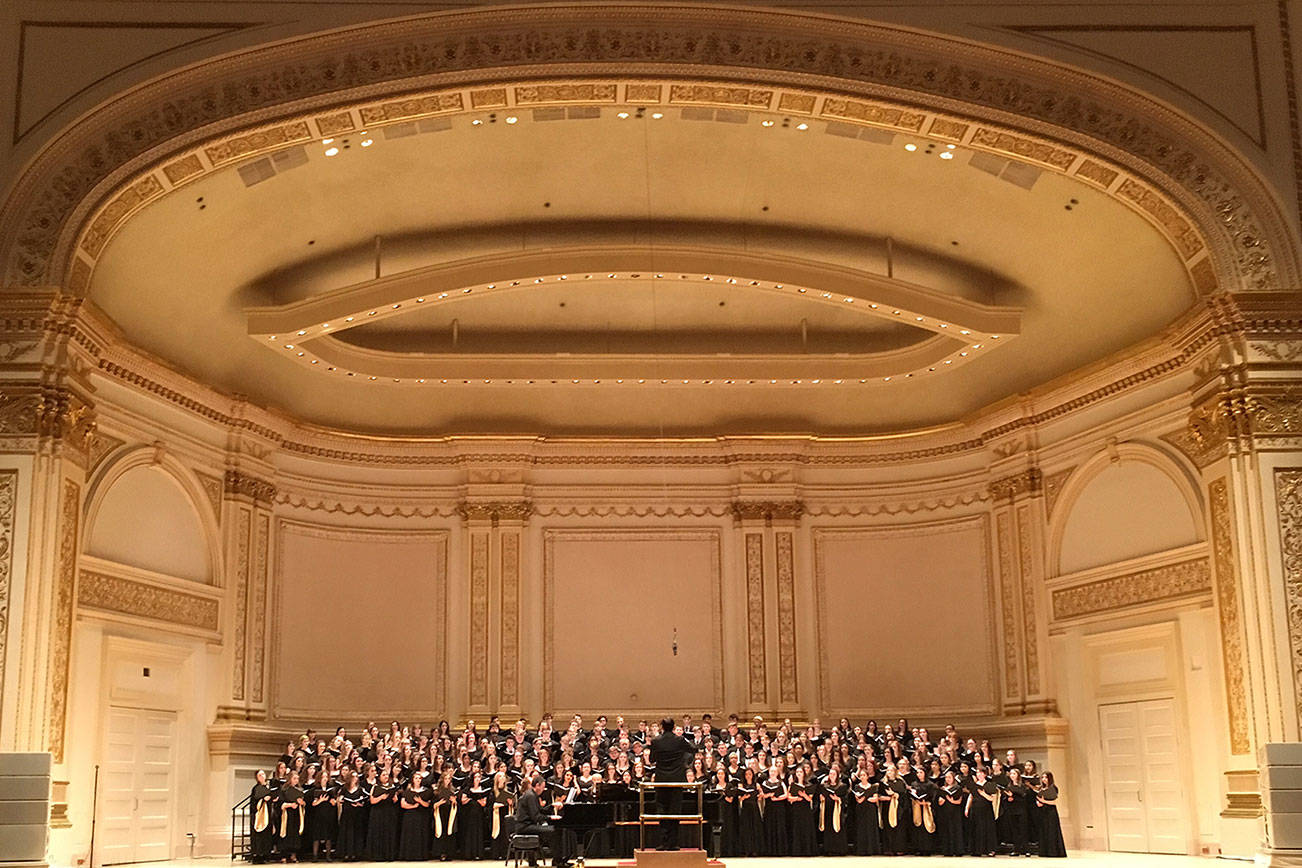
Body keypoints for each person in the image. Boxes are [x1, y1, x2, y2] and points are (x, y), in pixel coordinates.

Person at [649, 717, 694, 850]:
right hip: (676, 779)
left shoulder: (656, 741)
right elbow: (693, 748)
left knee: (662, 810)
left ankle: (664, 842)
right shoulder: (679, 740)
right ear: (674, 727)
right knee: (675, 811)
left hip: (661, 780)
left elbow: (651, 759)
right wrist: (683, 760)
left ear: (662, 727)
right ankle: (673, 843)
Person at [514, 775, 560, 868]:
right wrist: (551, 817)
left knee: (550, 830)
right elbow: (536, 817)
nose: (543, 790)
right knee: (553, 831)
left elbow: (540, 810)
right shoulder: (530, 796)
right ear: (537, 785)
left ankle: (533, 859)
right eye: (543, 787)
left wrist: (552, 806)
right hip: (524, 827)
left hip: (526, 825)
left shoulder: (532, 794)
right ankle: (557, 860)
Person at [365, 769, 399, 861]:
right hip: (378, 813)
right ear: (379, 777)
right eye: (383, 775)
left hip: (389, 812)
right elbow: (372, 801)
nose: (386, 777)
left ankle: (389, 855)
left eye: (387, 775)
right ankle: (378, 855)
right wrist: (381, 797)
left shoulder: (392, 786)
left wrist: (394, 797)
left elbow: (395, 800)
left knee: (389, 833)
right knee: (378, 833)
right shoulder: (375, 787)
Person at [398, 771, 432, 860]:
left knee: (420, 835)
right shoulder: (407, 791)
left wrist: (420, 801)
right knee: (409, 835)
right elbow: (403, 804)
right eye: (416, 778)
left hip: (421, 816)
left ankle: (420, 855)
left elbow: (427, 805)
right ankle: (409, 855)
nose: (418, 780)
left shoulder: (426, 791)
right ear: (412, 780)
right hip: (409, 816)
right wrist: (413, 806)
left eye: (419, 778)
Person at [1036, 772, 1068, 858]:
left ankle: (1053, 852)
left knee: (1052, 831)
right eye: (1042, 777)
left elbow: (1054, 802)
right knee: (1043, 830)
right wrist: (1038, 802)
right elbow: (1038, 798)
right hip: (1042, 811)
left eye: (1046, 777)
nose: (1044, 779)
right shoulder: (1040, 788)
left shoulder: (1053, 788)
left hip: (1051, 812)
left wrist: (1043, 801)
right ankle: (1044, 851)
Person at [819, 766, 848, 855]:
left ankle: (839, 850)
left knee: (837, 829)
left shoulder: (842, 786)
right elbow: (822, 795)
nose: (832, 775)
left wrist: (838, 799)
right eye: (830, 774)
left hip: (837, 810)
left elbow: (845, 799)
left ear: (837, 775)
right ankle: (829, 849)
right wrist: (822, 798)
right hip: (827, 809)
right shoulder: (824, 785)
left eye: (834, 774)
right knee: (828, 829)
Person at [278, 770, 306, 863]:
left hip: (296, 814)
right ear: (290, 779)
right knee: (286, 834)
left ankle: (294, 855)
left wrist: (301, 803)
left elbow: (303, 802)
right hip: (287, 814)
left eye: (297, 779)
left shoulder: (299, 790)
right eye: (294, 778)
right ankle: (284, 855)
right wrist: (290, 805)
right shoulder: (284, 790)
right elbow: (280, 803)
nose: (296, 780)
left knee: (295, 834)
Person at [250, 770, 276, 863]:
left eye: (263, 774)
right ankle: (257, 855)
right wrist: (263, 799)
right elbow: (253, 802)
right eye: (260, 775)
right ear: (257, 777)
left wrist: (272, 799)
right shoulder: (256, 788)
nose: (262, 776)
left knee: (266, 835)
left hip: (268, 814)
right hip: (259, 814)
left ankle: (265, 854)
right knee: (258, 835)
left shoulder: (268, 787)